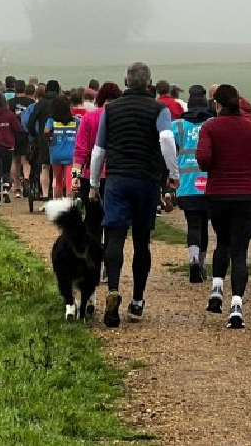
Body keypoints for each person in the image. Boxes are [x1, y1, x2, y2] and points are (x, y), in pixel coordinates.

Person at [89, 63, 179, 328]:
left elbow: (98, 151)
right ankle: (138, 300)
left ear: (126, 82)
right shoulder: (159, 109)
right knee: (142, 242)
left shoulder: (111, 110)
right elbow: (166, 139)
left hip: (117, 179)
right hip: (146, 180)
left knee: (114, 236)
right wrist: (173, 174)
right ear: (149, 83)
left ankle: (113, 289)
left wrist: (94, 183)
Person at [196, 84, 251, 329]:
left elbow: (203, 159)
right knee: (240, 251)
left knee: (222, 242)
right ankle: (236, 306)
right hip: (245, 195)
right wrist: (247, 166)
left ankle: (217, 290)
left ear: (216, 105)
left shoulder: (210, 127)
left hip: (217, 194)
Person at [171, 85, 212, 283]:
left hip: (186, 184)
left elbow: (166, 145)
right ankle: (201, 265)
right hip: (209, 183)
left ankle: (193, 259)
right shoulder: (212, 124)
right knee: (204, 224)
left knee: (193, 224)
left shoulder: (178, 126)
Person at [73, 81, 122, 246]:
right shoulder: (122, 117)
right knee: (113, 223)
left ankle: (93, 262)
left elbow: (81, 149)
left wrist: (75, 175)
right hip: (116, 175)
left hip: (90, 176)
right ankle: (110, 264)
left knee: (93, 222)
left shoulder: (89, 117)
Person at [27, 80, 60, 200]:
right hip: (59, 138)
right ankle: (57, 195)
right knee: (56, 168)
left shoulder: (41, 103)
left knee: (44, 167)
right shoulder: (62, 102)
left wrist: (35, 135)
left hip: (43, 139)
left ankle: (45, 194)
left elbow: (31, 123)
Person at [45, 94, 79, 199]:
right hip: (71, 155)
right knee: (70, 181)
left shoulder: (52, 121)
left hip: (56, 153)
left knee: (57, 180)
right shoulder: (75, 120)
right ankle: (69, 204)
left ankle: (57, 203)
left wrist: (49, 142)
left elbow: (46, 131)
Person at [9, 83, 36, 198]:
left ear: (15, 89)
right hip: (26, 133)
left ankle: (17, 186)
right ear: (25, 89)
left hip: (14, 133)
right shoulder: (30, 102)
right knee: (26, 160)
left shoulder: (11, 102)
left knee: (15, 160)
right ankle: (26, 180)